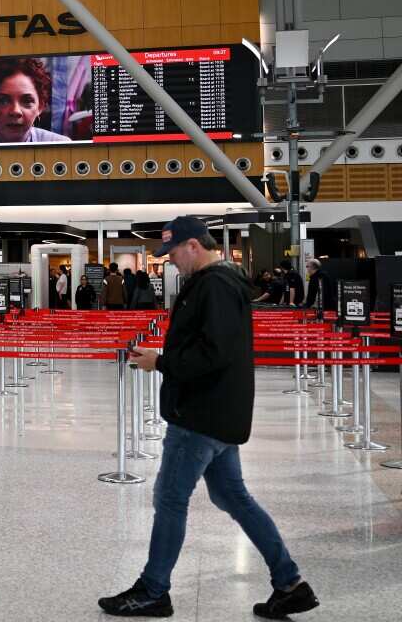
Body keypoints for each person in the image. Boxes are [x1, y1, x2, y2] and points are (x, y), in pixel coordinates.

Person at [100, 216, 317, 619]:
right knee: (232, 496)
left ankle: (153, 590)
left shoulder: (214, 285)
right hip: (220, 411)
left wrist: (160, 362)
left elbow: (213, 353)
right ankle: (290, 583)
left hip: (199, 415)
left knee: (169, 498)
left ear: (194, 246)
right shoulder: (226, 281)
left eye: (174, 253)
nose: (171, 263)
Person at [0, 58, 72, 144]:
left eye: (27, 101)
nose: (15, 111)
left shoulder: (61, 146)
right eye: (3, 101)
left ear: (40, 106)